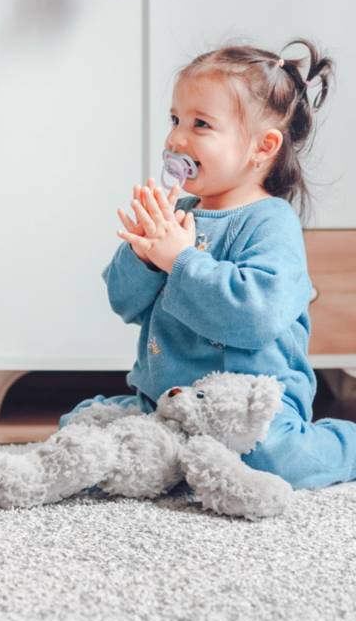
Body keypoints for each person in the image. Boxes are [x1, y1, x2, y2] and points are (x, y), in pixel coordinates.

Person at [62, 39, 356, 489]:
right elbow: (123, 303)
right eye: (175, 119)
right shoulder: (179, 213)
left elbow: (255, 316)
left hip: (249, 410)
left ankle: (345, 445)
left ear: (263, 147)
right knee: (95, 431)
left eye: (201, 124)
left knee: (276, 461)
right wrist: (143, 256)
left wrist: (180, 260)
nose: (177, 138)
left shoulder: (270, 222)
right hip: (166, 400)